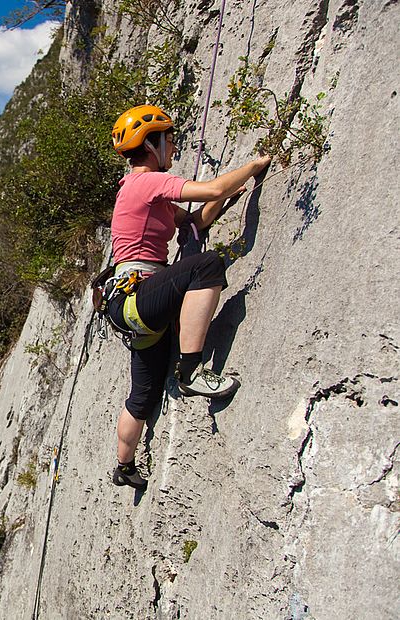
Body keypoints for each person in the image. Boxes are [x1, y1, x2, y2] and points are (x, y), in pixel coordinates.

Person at [105, 104, 271, 490]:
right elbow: (212, 187)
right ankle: (192, 372)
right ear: (152, 144)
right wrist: (254, 165)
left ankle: (124, 467)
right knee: (207, 266)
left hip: (134, 305)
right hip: (140, 295)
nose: (174, 146)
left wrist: (228, 197)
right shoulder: (146, 182)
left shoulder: (142, 193)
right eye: (169, 139)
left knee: (142, 397)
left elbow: (195, 222)